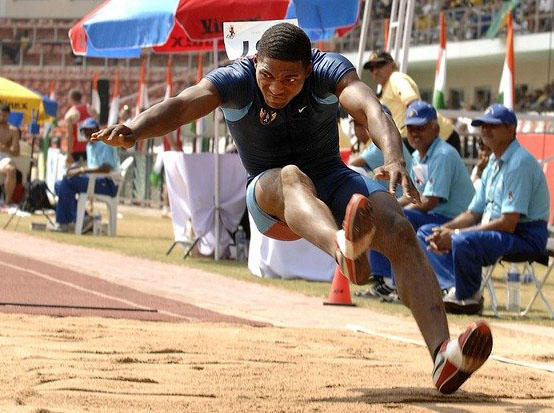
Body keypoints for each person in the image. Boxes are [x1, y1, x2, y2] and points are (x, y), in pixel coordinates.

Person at [92, 23, 492, 393]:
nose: (276, 88)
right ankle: (342, 248)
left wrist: (394, 157)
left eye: (290, 79)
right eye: (267, 76)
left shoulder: (328, 70)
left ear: (309, 67)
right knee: (290, 175)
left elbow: (372, 107)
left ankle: (442, 355)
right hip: (271, 196)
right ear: (254, 63)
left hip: (332, 179)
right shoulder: (234, 79)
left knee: (399, 228)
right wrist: (136, 128)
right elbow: (182, 105)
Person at [417, 104, 550, 315]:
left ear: (510, 129)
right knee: (427, 232)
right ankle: (452, 287)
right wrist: (445, 229)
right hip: (500, 232)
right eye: (482, 125)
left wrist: (455, 234)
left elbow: (508, 224)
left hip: (525, 236)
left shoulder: (519, 163)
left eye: (493, 125)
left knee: (461, 239)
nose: (485, 130)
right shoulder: (493, 164)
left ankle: (469, 297)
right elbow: (472, 213)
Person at [366, 101, 475, 301]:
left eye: (421, 127)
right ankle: (386, 281)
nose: (415, 133)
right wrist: (389, 206)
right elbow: (413, 194)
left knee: (396, 219)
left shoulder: (443, 154)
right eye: (411, 128)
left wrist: (393, 209)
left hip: (453, 219)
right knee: (384, 215)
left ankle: (398, 283)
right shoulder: (418, 155)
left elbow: (430, 201)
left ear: (436, 128)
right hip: (432, 214)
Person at [363, 50, 461, 154]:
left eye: (379, 65)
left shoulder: (396, 78)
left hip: (442, 136)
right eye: (371, 68)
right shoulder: (383, 91)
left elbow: (414, 104)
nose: (375, 71)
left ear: (392, 65)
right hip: (419, 139)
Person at [51, 118, 119, 232]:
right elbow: (92, 167)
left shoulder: (105, 143)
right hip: (95, 181)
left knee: (67, 183)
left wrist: (81, 170)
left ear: (97, 130)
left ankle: (63, 222)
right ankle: (83, 218)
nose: (87, 134)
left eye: (90, 131)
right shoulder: (90, 146)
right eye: (85, 131)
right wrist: (76, 169)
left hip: (108, 183)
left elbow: (106, 168)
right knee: (59, 184)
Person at [64, 89, 97, 167]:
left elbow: (69, 136)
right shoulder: (91, 110)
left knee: (77, 175)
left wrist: (68, 154)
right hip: (91, 147)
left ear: (71, 98)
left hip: (76, 150)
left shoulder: (70, 114)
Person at [0, 104, 21, 206]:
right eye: (0, 115)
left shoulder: (13, 130)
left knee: (11, 170)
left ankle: (6, 202)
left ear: (8, 115)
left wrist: (4, 148)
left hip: (3, 157)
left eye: (4, 115)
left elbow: (16, 152)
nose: (2, 117)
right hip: (4, 154)